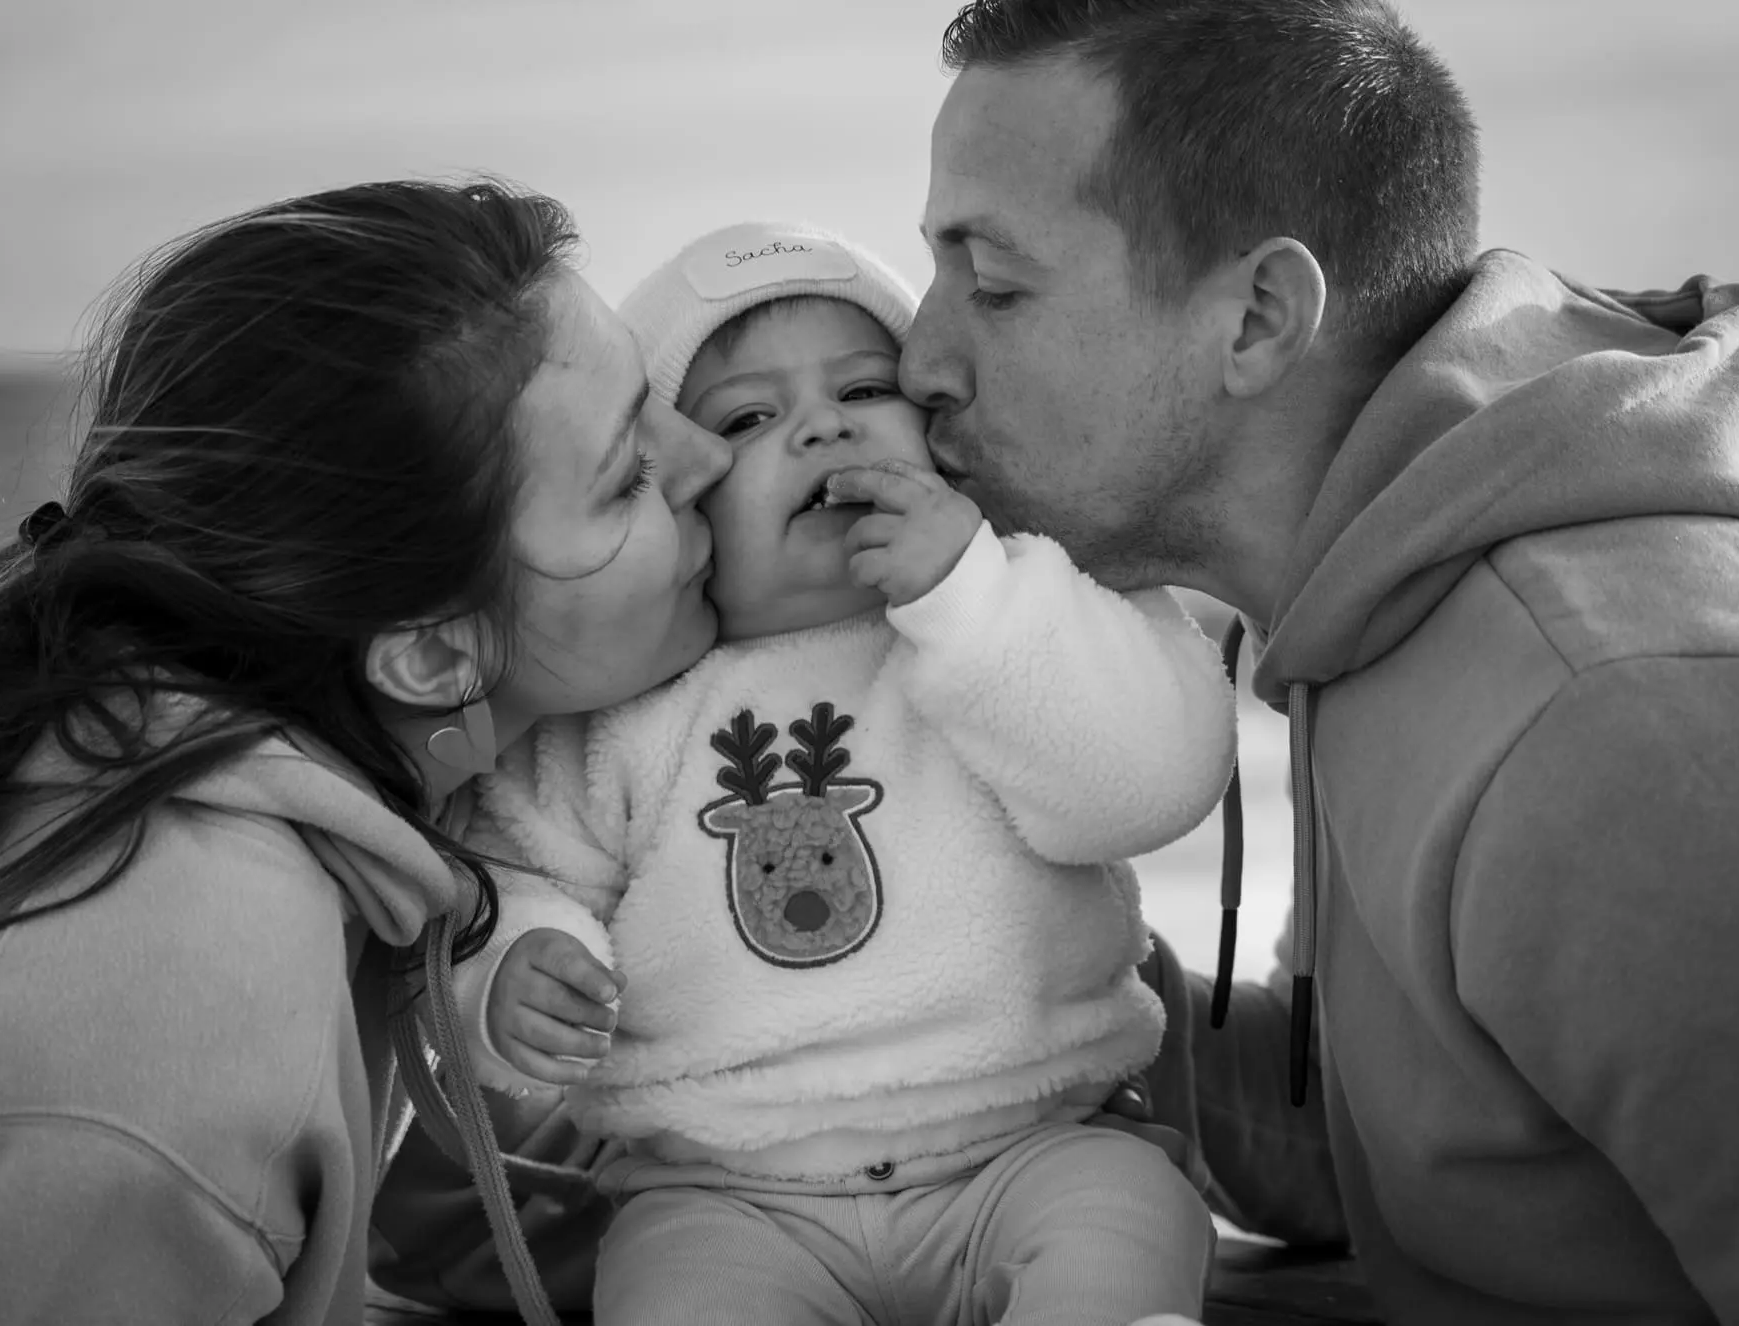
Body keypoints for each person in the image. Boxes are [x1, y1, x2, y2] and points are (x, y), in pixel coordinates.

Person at [903, 0, 1739, 1321]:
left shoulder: (1617, 735)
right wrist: (975, 933)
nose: (920, 358)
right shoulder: (1377, 567)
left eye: (996, 285)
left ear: (1259, 315)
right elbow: (1370, 1146)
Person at [0, 177, 732, 1324]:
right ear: (434, 658)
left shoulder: (342, 764)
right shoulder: (142, 1065)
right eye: (625, 474)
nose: (707, 457)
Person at [447, 221, 1239, 1325]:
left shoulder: (1015, 608)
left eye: (866, 388)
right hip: (723, 1192)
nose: (822, 426)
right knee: (670, 1296)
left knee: (1126, 1225)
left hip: (1031, 1144)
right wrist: (519, 970)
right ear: (673, 491)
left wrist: (966, 595)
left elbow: (1150, 784)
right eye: (748, 418)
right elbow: (509, 874)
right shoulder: (621, 709)